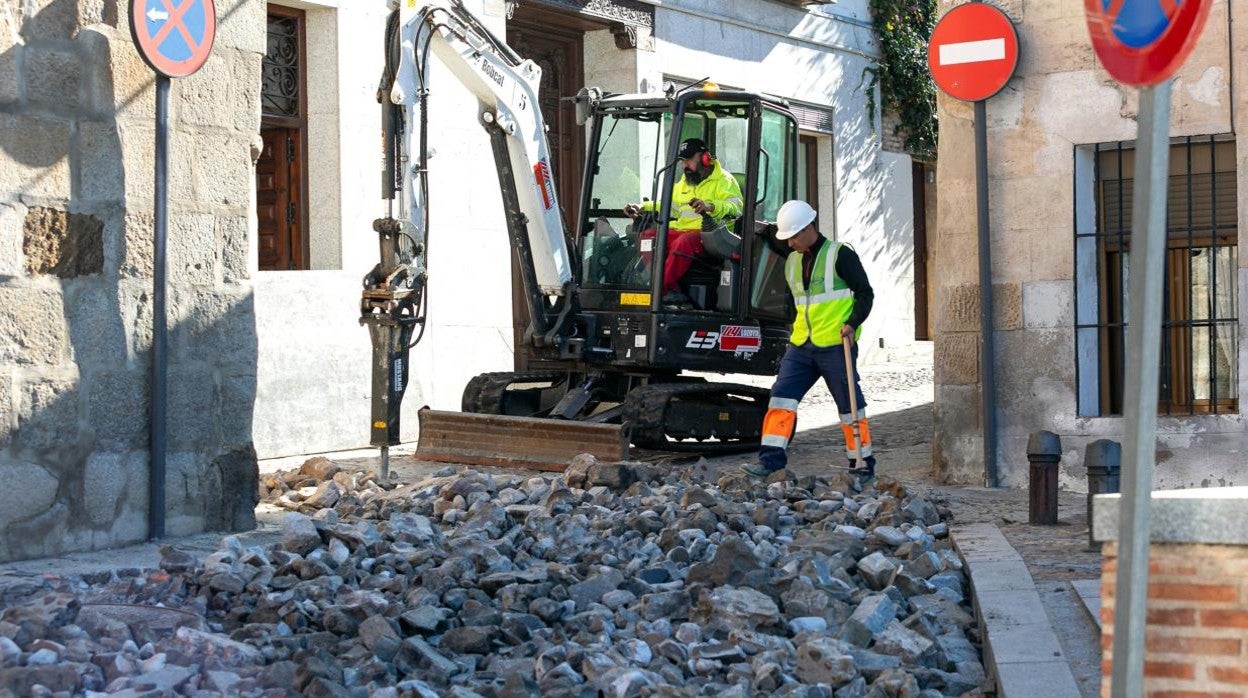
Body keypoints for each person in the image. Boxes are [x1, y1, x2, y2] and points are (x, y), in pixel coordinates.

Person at [741, 199, 877, 482]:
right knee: (780, 399)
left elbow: (865, 294)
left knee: (850, 407)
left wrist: (852, 324)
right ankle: (770, 462)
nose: (790, 244)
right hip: (801, 344)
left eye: (793, 237)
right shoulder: (792, 260)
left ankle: (862, 464)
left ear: (808, 229)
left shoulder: (840, 255)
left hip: (835, 345)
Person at [624, 138, 743, 305]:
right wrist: (642, 207)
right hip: (683, 229)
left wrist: (710, 206)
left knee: (682, 242)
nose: (684, 165)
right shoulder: (685, 183)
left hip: (712, 236)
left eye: (688, 160)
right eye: (682, 161)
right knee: (648, 236)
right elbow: (668, 206)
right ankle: (668, 287)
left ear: (704, 158)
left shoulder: (725, 181)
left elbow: (736, 208)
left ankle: (660, 291)